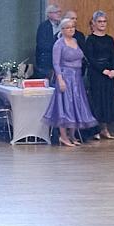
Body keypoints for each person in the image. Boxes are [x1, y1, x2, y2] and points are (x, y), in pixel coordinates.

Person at [44, 18, 98, 147]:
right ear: (62, 30)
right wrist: (60, 80)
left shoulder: (75, 41)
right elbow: (56, 64)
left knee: (76, 106)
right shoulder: (59, 44)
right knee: (65, 106)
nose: (71, 29)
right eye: (68, 27)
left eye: (73, 27)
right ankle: (63, 136)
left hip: (77, 78)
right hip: (65, 77)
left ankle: (72, 135)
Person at [83, 10, 114, 139]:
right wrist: (103, 71)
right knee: (97, 101)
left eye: (104, 21)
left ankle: (105, 129)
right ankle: (95, 130)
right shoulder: (90, 39)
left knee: (107, 101)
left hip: (109, 75)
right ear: (94, 23)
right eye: (99, 21)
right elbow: (90, 58)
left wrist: (113, 69)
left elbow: (113, 56)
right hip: (97, 74)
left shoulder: (110, 39)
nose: (102, 24)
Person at [34, 4, 62, 79]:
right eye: (56, 12)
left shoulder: (62, 26)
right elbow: (41, 45)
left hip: (60, 61)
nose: (59, 14)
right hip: (46, 61)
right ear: (49, 14)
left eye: (60, 12)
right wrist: (57, 47)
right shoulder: (43, 26)